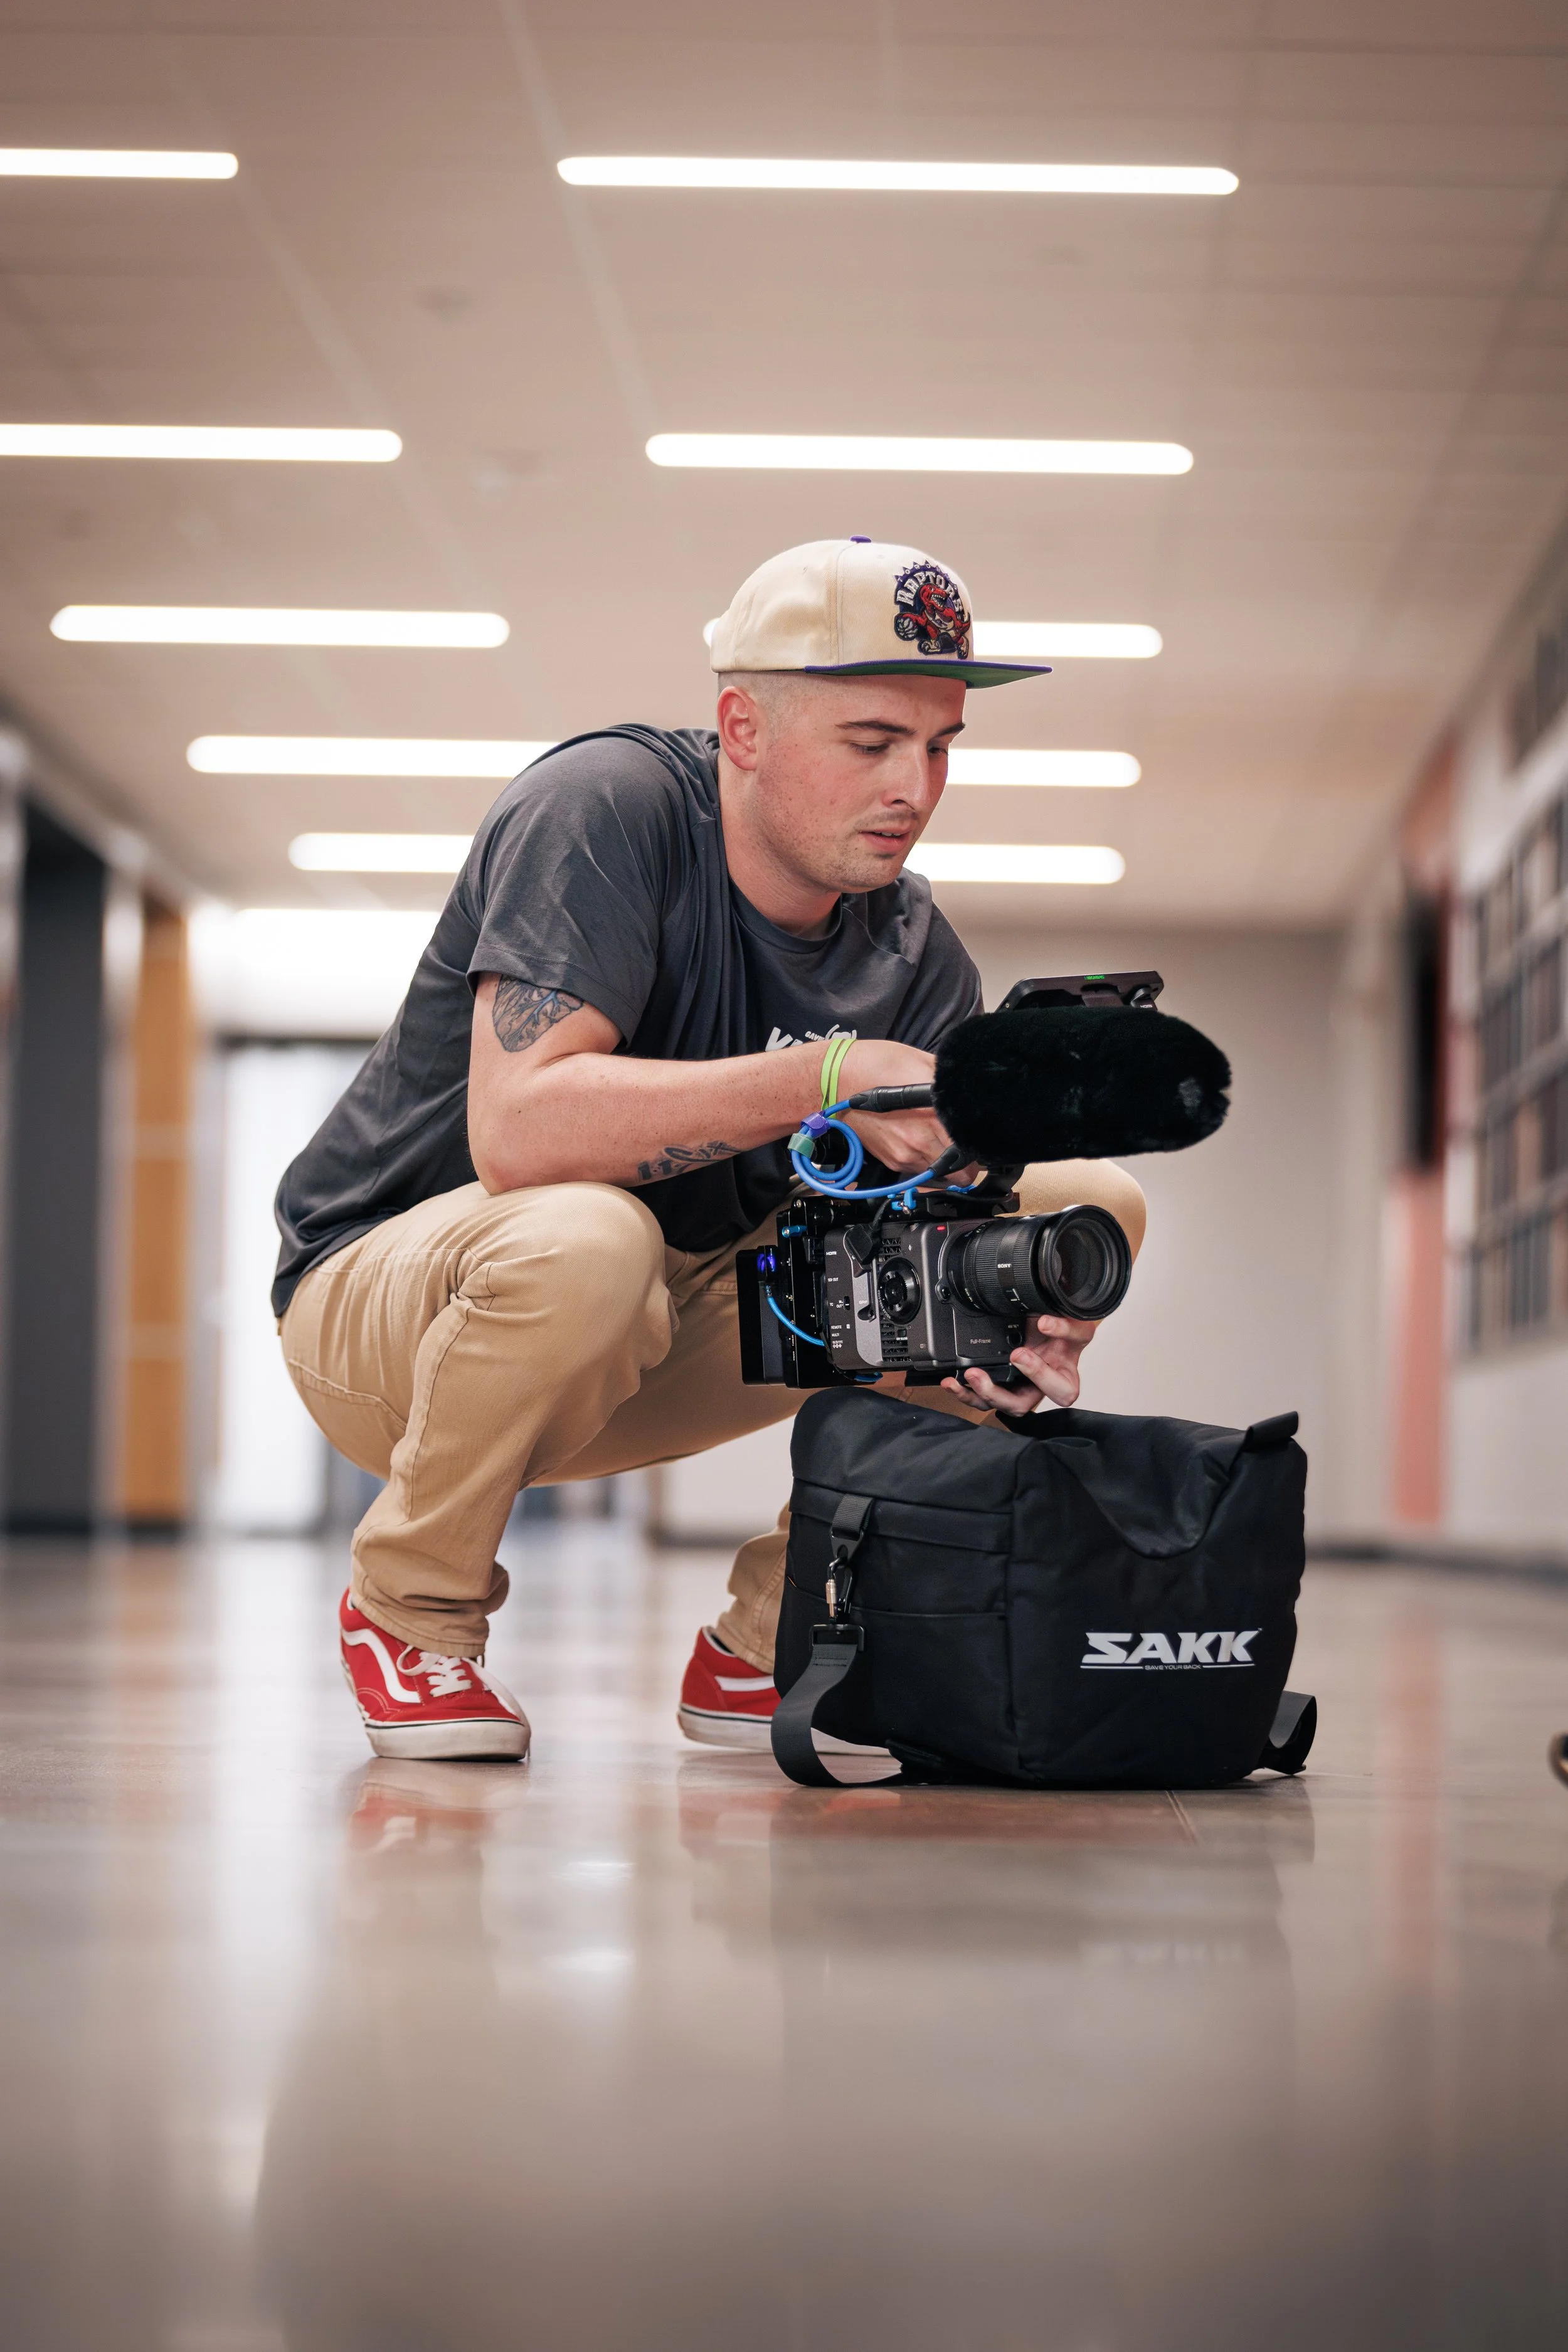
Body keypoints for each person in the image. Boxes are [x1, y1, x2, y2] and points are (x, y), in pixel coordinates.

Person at [273, 538, 1147, 1761]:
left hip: (652, 1324)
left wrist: (985, 1319)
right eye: (870, 742)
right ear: (741, 727)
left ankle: (768, 1643)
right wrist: (825, 1075)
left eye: (940, 745)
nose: (915, 785)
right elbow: (518, 1133)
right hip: (391, 1323)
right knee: (585, 1235)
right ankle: (408, 1608)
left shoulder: (912, 947)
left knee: (1066, 1205)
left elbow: (941, 1232)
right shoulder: (604, 811)